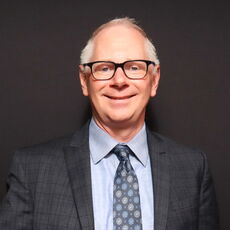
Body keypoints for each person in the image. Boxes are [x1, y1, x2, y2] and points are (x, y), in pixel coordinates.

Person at [0, 17, 218, 230]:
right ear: (84, 81)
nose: (119, 81)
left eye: (134, 67)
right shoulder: (31, 170)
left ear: (154, 79)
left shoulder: (193, 169)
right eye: (104, 68)